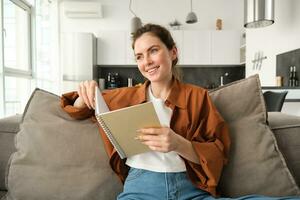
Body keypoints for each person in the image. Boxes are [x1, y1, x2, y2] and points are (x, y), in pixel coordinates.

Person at [61, 24, 299, 200]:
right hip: (141, 188)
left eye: (153, 51)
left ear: (172, 52)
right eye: (139, 57)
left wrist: (179, 143)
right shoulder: (125, 97)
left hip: (191, 189)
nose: (147, 62)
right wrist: (84, 94)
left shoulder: (197, 96)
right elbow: (78, 108)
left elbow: (218, 151)